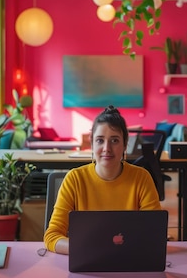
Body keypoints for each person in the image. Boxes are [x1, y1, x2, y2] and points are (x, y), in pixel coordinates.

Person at [43, 105, 162, 254]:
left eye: (114, 141)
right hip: (85, 260)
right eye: (100, 140)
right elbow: (52, 236)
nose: (107, 148)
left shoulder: (141, 178)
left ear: (125, 145)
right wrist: (89, 249)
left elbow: (155, 235)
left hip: (128, 260)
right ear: (92, 144)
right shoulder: (74, 179)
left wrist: (109, 249)